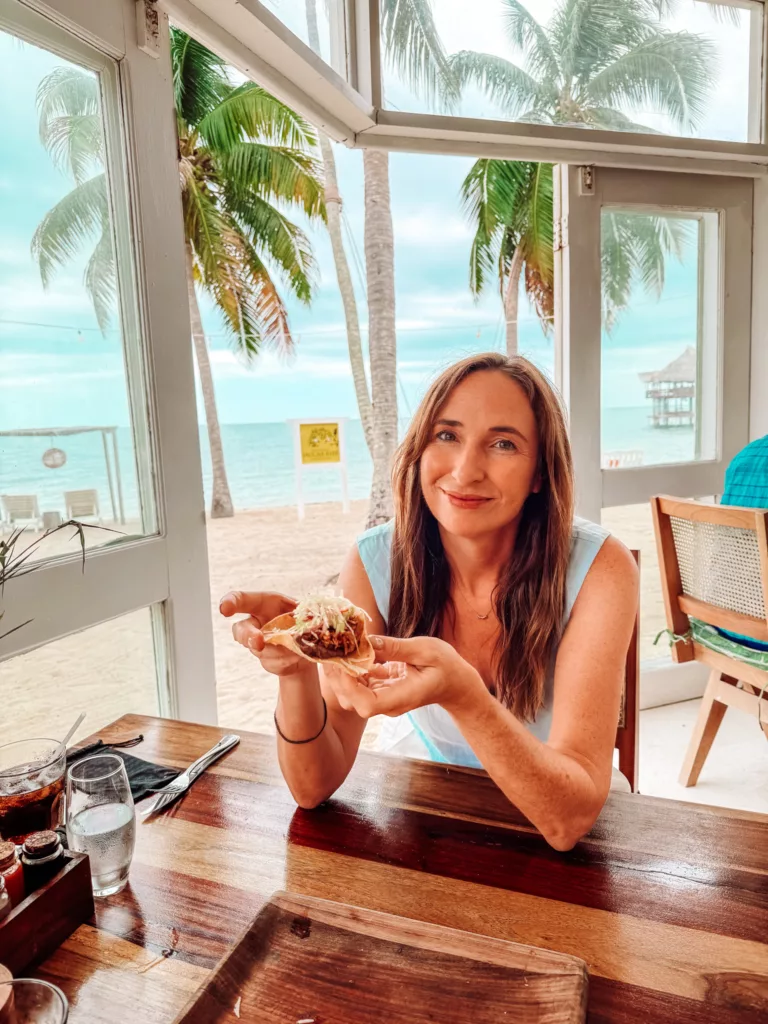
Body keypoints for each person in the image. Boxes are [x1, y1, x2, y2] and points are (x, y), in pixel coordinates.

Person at [220, 354, 638, 851]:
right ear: (420, 449)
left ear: (540, 474)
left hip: (556, 822)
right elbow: (312, 788)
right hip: (429, 805)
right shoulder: (375, 562)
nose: (465, 471)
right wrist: (297, 671)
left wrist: (464, 696)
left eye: (503, 444)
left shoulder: (600, 568)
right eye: (447, 435)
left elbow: (567, 822)